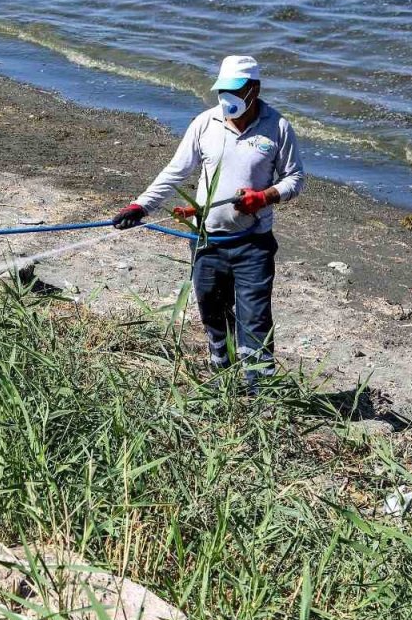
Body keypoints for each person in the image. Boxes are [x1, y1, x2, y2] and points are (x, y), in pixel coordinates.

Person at [111, 55, 304, 391]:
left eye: (233, 90)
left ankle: (260, 391)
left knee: (255, 318)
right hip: (207, 242)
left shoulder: (278, 126)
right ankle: (224, 380)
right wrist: (141, 206)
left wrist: (265, 197)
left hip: (253, 244)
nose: (225, 98)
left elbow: (295, 177)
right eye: (221, 90)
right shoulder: (205, 123)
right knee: (213, 313)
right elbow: (176, 172)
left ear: (253, 89)